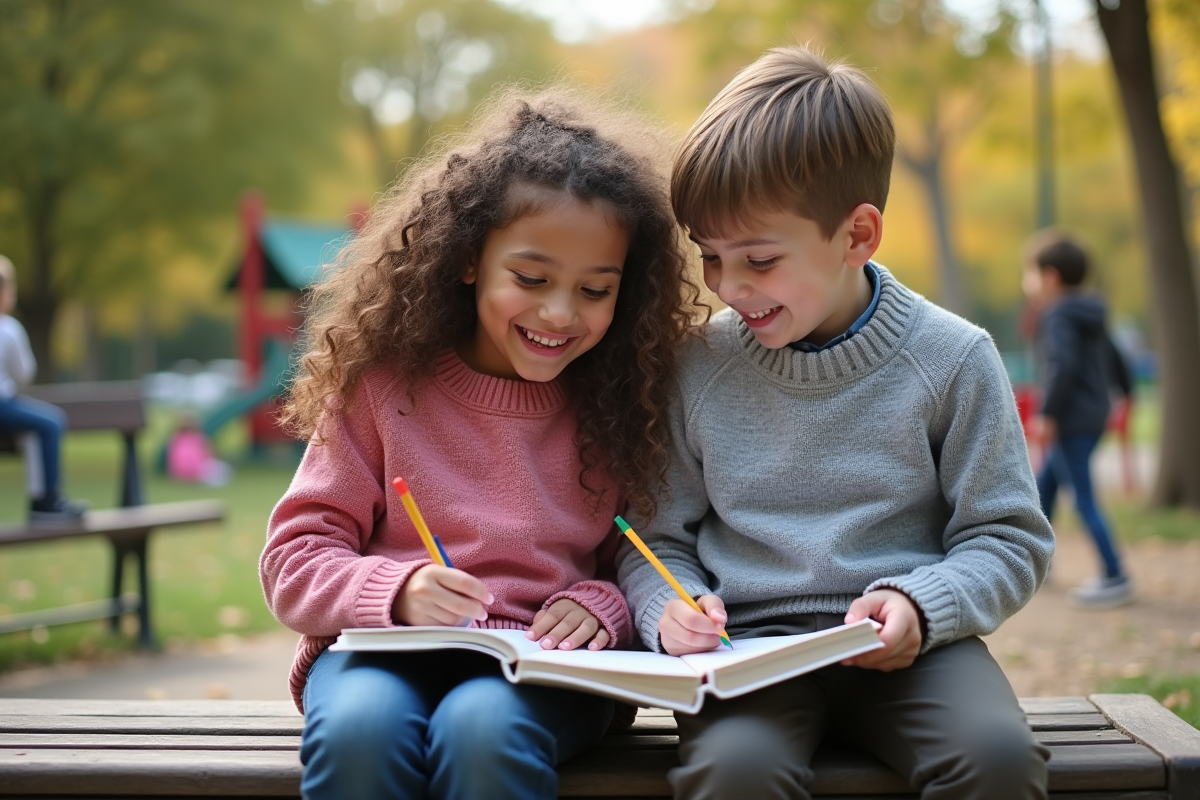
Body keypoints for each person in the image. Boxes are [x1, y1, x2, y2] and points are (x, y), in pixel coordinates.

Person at [616, 46, 1055, 800]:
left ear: (857, 236)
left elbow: (1008, 537)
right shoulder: (699, 364)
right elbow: (654, 538)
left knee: (996, 757)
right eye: (710, 256)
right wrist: (668, 606)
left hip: (916, 652)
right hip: (746, 651)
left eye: (758, 258)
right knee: (736, 772)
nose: (728, 285)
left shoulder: (953, 359)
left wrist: (924, 605)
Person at [259, 88, 704, 800]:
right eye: (530, 279)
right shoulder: (383, 388)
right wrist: (395, 589)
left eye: (596, 290)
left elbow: (642, 552)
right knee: (362, 732)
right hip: (386, 655)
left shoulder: (625, 402)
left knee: (481, 728)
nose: (560, 313)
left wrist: (603, 606)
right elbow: (293, 560)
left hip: (546, 669)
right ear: (469, 258)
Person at [1023, 230, 1133, 609]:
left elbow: (1062, 364)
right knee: (1045, 488)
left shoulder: (1056, 314)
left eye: (1030, 274)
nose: (1028, 283)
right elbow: (1117, 356)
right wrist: (1125, 392)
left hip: (1070, 420)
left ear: (1050, 277)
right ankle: (1039, 562)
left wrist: (1048, 412)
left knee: (1083, 498)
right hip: (1093, 414)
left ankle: (1115, 573)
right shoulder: (1093, 311)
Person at [0, 254, 86, 525]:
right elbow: (24, 373)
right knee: (49, 423)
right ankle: (46, 501)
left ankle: (43, 502)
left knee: (33, 430)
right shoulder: (9, 329)